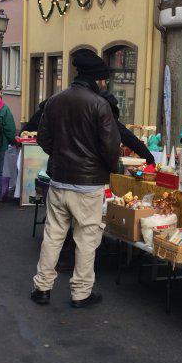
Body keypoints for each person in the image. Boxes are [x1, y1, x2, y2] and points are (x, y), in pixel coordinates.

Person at [31, 48, 121, 309]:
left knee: (53, 235)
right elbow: (110, 148)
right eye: (104, 79)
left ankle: (42, 288)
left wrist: (60, 156)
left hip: (58, 180)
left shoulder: (55, 100)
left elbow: (43, 139)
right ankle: (81, 293)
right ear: (97, 79)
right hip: (88, 184)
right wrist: (108, 168)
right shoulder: (99, 104)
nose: (105, 84)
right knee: (86, 239)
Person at [99, 90, 155, 164]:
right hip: (96, 166)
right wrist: (149, 158)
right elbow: (129, 138)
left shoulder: (87, 113)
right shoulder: (108, 120)